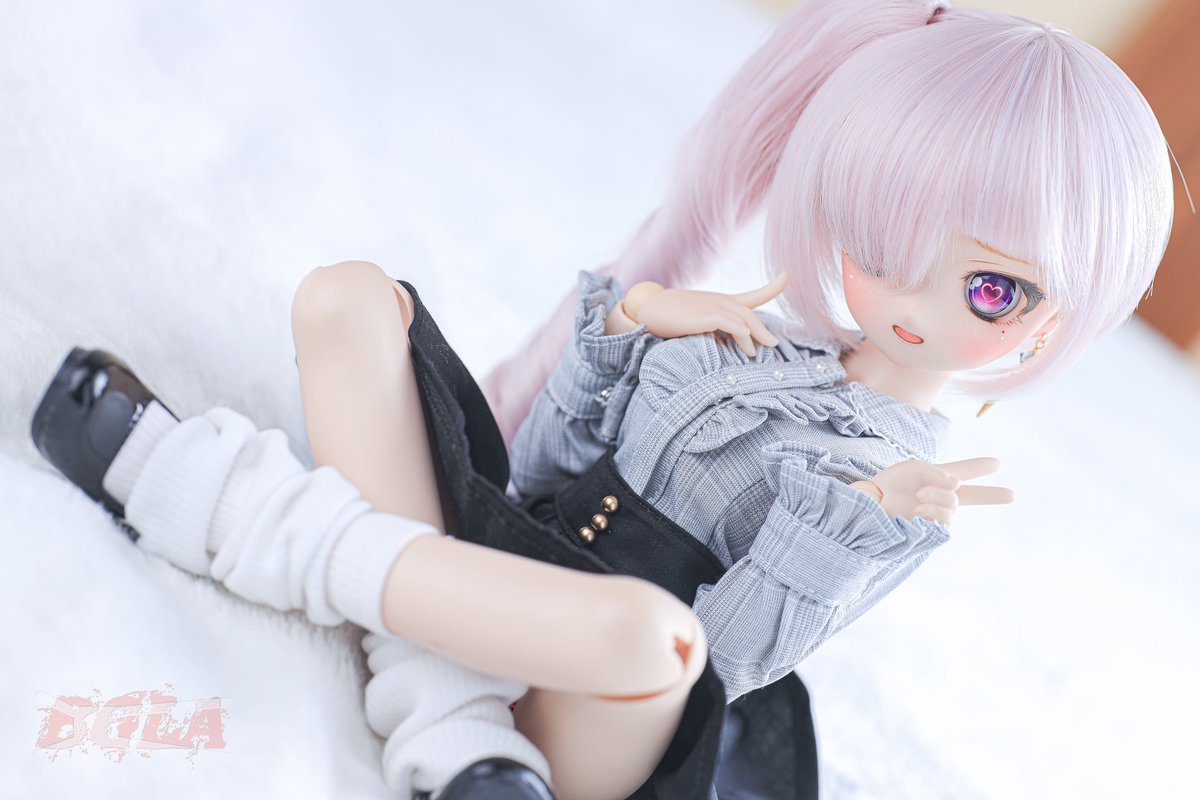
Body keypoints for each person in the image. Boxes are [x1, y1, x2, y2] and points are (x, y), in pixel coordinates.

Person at [28, 1, 1175, 798]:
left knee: (651, 635)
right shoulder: (737, 335)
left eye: (989, 289)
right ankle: (452, 723)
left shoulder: (893, 494)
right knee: (350, 299)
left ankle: (217, 503)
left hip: (598, 702)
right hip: (504, 564)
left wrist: (845, 525)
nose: (916, 304)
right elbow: (535, 468)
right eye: (882, 243)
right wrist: (633, 328)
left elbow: (727, 661)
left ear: (1055, 317)